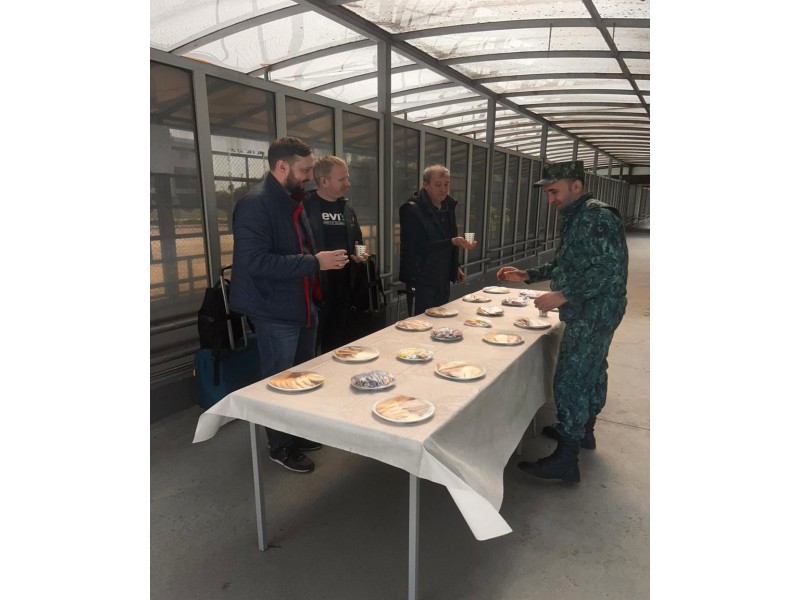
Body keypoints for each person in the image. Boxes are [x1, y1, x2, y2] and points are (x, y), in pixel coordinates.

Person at [496, 160, 628, 483]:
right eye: (547, 193)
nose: (550, 199)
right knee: (592, 370)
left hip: (594, 311)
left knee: (571, 378)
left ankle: (567, 459)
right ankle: (583, 431)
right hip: (592, 309)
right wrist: (528, 274)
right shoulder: (576, 216)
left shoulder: (597, 217)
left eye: (554, 191)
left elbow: (608, 270)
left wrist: (563, 295)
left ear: (576, 186)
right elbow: (565, 264)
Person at [229, 136, 350, 474]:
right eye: (305, 170)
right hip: (274, 310)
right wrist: (315, 262)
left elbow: (299, 247)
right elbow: (255, 262)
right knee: (279, 380)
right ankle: (280, 446)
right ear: (282, 166)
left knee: (301, 376)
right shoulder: (255, 204)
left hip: (302, 304)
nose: (310, 177)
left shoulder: (291, 200)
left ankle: (295, 433)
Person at [303, 156, 368, 354]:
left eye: (347, 178)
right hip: (314, 291)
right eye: (342, 179)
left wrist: (359, 254)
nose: (348, 184)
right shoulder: (305, 207)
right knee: (310, 348)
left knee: (337, 344)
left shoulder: (346, 208)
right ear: (323, 181)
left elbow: (357, 240)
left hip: (343, 288)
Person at [399, 165, 477, 316]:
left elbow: (449, 237)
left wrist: (455, 266)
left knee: (441, 320)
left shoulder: (448, 206)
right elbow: (417, 247)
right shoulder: (411, 209)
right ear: (426, 185)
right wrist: (452, 242)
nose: (443, 189)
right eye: (438, 184)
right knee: (421, 323)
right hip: (421, 280)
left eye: (446, 184)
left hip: (443, 278)